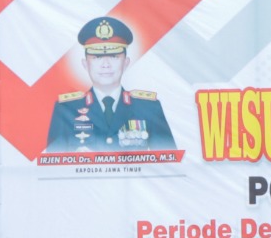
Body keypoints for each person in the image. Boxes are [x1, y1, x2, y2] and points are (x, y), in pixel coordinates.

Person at [44, 17, 177, 154]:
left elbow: (169, 161)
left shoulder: (149, 108)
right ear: (85, 64)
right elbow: (55, 167)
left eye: (114, 57)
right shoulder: (66, 109)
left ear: (126, 62)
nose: (105, 65)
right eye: (97, 58)